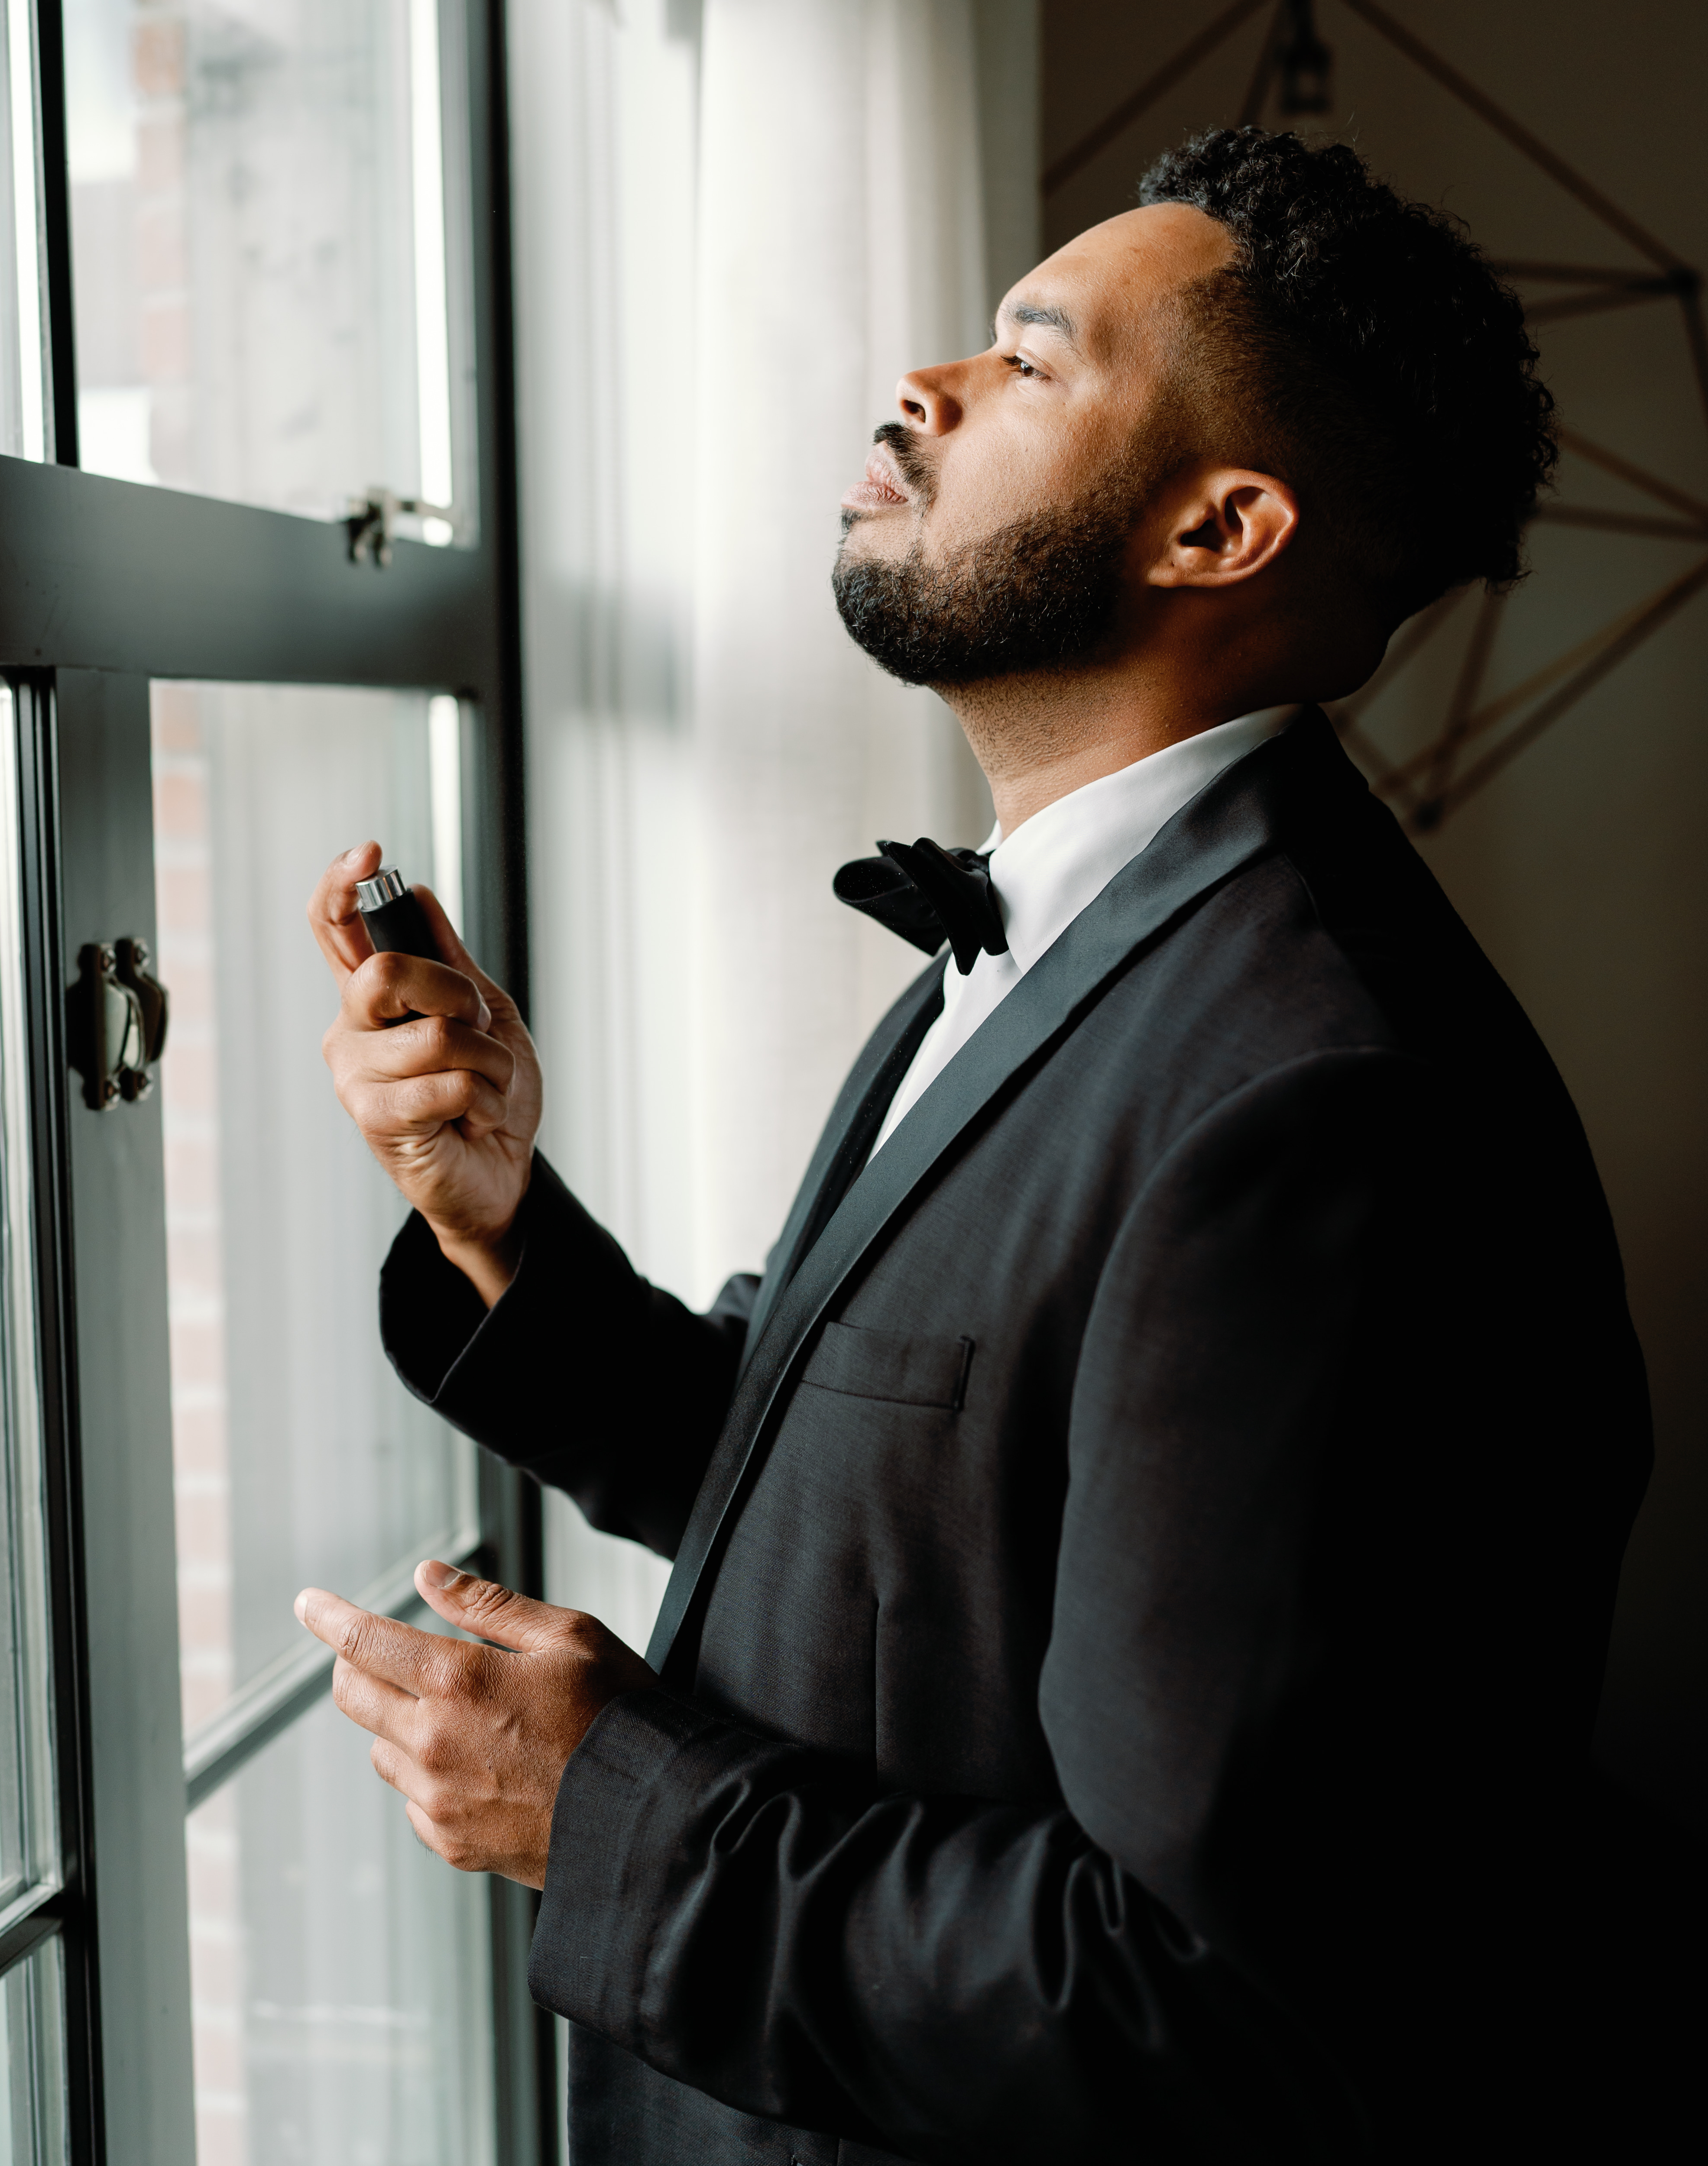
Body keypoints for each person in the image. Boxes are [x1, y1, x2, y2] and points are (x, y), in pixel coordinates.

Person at [301, 128, 1652, 2163]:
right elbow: (897, 1517)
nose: (918, 388)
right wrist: (494, 1220)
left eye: (1028, 363)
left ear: (1218, 529)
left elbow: (1210, 2005)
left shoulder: (1328, 1113)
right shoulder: (1080, 930)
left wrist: (609, 1816)